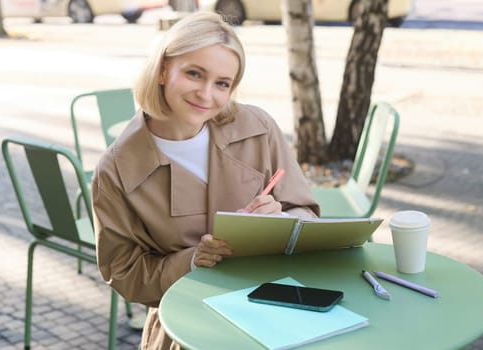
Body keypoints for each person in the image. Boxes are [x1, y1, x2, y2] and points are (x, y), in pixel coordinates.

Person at [92, 12, 319, 349]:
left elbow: (307, 213)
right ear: (164, 69)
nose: (206, 94)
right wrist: (193, 260)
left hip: (274, 312)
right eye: (194, 74)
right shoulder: (116, 169)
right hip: (185, 329)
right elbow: (123, 273)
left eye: (222, 83)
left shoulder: (259, 128)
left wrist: (283, 220)